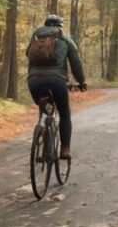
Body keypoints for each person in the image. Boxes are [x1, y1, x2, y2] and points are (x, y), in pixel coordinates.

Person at [26, 15, 86, 160]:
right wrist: (81, 82)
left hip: (34, 81)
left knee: (45, 109)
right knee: (64, 114)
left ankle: (42, 145)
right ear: (60, 27)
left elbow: (29, 56)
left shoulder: (35, 40)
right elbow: (76, 64)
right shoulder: (65, 40)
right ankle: (65, 149)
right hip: (57, 81)